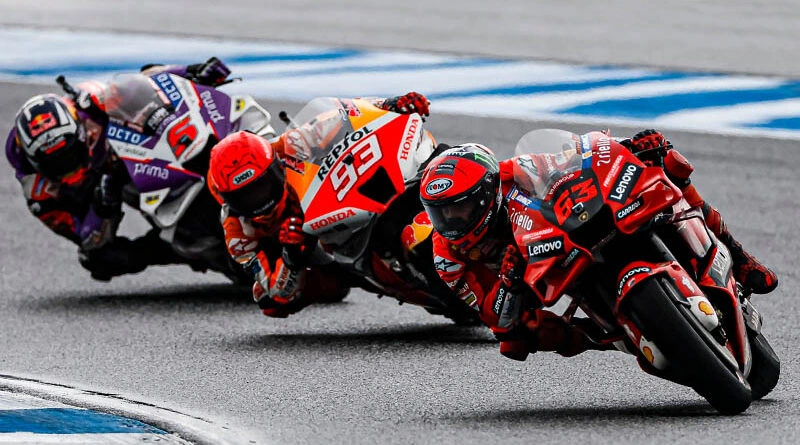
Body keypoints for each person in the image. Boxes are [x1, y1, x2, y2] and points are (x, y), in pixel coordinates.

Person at [418, 131, 778, 361]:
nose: (451, 221)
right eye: (440, 213)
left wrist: (629, 147)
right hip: (532, 284)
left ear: (487, 191)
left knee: (667, 165)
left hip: (566, 237)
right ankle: (599, 335)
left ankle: (739, 256)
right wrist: (509, 284)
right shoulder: (447, 258)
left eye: (459, 208)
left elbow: (580, 157)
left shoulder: (517, 172)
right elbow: (496, 321)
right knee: (519, 340)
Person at [5, 57, 234, 281]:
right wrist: (103, 205)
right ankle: (181, 248)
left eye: (69, 155)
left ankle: (235, 145)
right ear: (35, 163)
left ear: (80, 132)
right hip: (115, 186)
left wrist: (189, 72)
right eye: (54, 164)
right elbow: (86, 240)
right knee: (98, 260)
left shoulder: (87, 103)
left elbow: (142, 82)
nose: (67, 167)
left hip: (142, 151)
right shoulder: (40, 193)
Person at [206, 92, 431, 318]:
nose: (259, 200)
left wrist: (390, 104)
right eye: (246, 197)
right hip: (309, 254)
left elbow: (344, 115)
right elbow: (275, 288)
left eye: (262, 187)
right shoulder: (237, 234)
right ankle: (360, 276)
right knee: (268, 301)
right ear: (228, 200)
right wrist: (291, 257)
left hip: (333, 199)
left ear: (274, 166)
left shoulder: (284, 146)